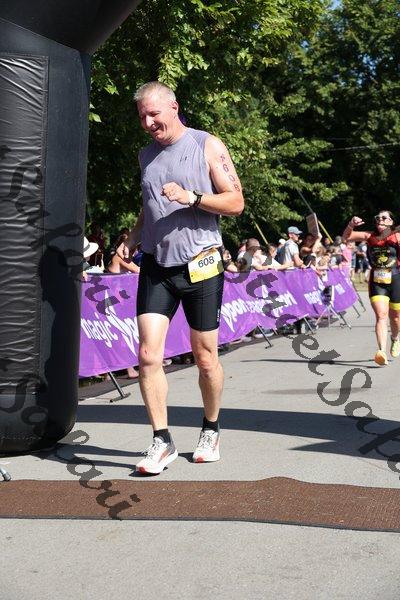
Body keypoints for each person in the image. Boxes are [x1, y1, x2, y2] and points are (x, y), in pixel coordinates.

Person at [128, 81, 244, 474]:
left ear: (174, 107)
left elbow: (236, 202)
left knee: (205, 357)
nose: (148, 123)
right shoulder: (146, 155)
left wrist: (193, 197)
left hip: (201, 263)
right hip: (156, 265)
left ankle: (211, 428)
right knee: (148, 355)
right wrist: (133, 234)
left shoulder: (206, 145)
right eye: (142, 116)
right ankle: (161, 441)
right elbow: (150, 203)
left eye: (154, 114)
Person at [342, 211, 400, 366]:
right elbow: (346, 237)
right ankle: (381, 351)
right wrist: (351, 224)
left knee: (395, 318)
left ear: (391, 222)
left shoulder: (397, 236)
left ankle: (395, 339)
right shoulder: (369, 236)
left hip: (396, 279)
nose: (380, 220)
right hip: (377, 281)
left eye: (384, 218)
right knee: (381, 315)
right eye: (378, 218)